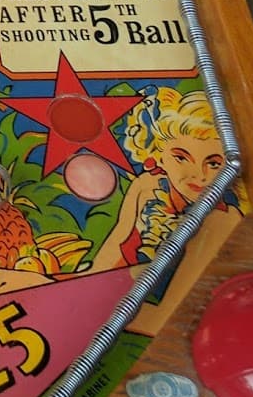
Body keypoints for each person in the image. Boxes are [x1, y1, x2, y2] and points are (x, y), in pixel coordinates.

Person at [90, 87, 228, 270]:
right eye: (181, 158)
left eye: (213, 164)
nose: (199, 175)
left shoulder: (225, 216)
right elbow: (115, 244)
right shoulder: (147, 185)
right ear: (158, 155)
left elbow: (180, 294)